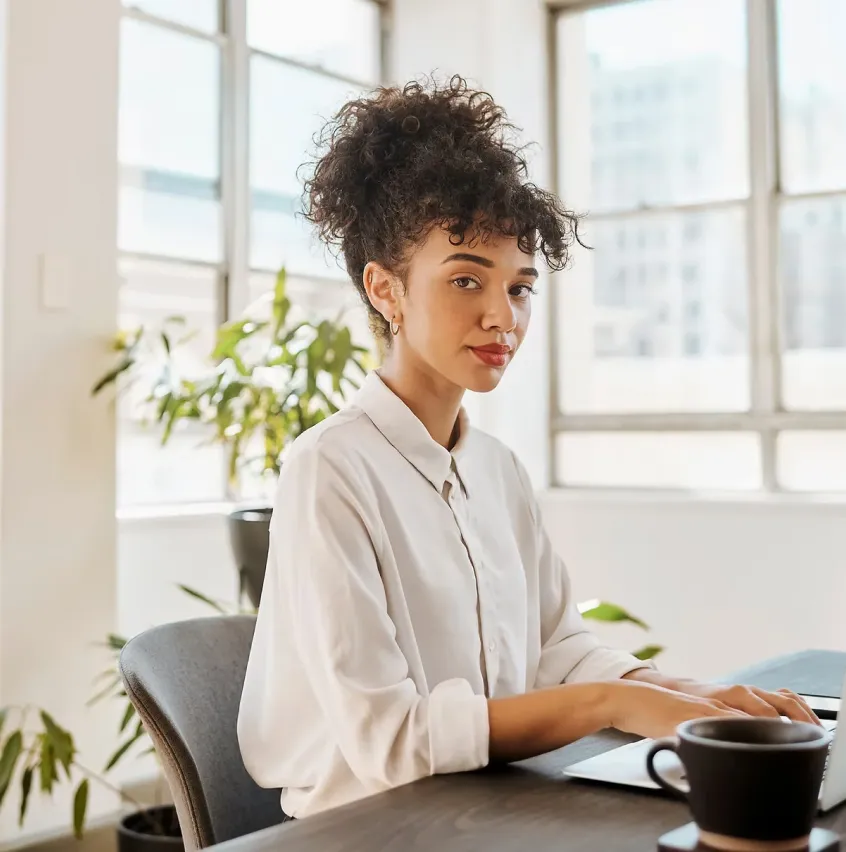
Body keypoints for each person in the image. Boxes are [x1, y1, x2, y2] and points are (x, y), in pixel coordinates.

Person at [237, 76, 819, 821]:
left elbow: (555, 648)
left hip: (487, 806)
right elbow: (392, 742)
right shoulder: (330, 470)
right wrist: (614, 702)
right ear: (385, 289)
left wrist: (690, 696)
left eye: (519, 287)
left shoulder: (497, 471)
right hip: (368, 827)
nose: (500, 316)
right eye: (465, 280)